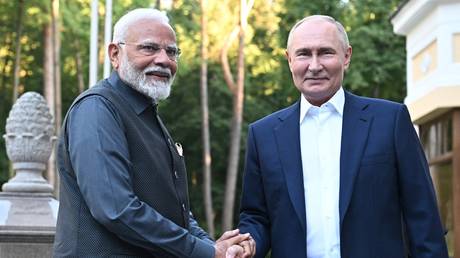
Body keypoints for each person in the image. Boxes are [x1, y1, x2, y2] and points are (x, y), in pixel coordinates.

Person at [238, 15, 448, 258]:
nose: (314, 66)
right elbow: (256, 216)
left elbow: (423, 217)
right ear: (289, 59)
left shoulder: (390, 121)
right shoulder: (263, 134)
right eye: (304, 54)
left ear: (346, 56)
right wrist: (247, 245)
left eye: (326, 52)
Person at [53, 8, 255, 258]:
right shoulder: (97, 110)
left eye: (171, 51)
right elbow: (116, 209)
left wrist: (213, 246)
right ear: (115, 54)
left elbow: (173, 210)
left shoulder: (148, 115)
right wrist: (205, 251)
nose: (163, 59)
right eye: (149, 48)